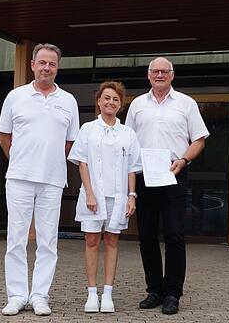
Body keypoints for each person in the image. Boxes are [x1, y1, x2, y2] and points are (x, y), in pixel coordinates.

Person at [0, 43, 79, 317]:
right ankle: (17, 296)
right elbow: (3, 137)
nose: (46, 68)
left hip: (53, 180)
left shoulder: (68, 101)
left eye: (52, 64)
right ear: (32, 65)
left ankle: (40, 296)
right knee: (16, 239)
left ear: (57, 68)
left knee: (47, 241)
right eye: (42, 63)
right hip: (19, 178)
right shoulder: (15, 97)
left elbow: (70, 142)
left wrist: (48, 160)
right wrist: (20, 159)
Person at [126, 57, 209, 315]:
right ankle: (155, 289)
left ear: (172, 75)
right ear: (148, 75)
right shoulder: (137, 105)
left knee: (174, 235)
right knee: (147, 236)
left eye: (165, 71)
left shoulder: (186, 104)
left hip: (174, 174)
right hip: (144, 176)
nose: (160, 75)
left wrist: (184, 160)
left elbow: (199, 140)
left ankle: (173, 292)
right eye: (155, 71)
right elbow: (127, 142)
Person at [67, 81, 141, 313]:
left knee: (112, 241)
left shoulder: (128, 133)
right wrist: (89, 192)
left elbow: (132, 167)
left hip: (117, 197)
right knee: (91, 240)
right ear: (99, 101)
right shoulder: (88, 129)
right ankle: (91, 293)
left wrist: (132, 195)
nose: (111, 102)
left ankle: (108, 293)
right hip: (93, 196)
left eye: (116, 99)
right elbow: (82, 162)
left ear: (121, 104)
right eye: (106, 98)